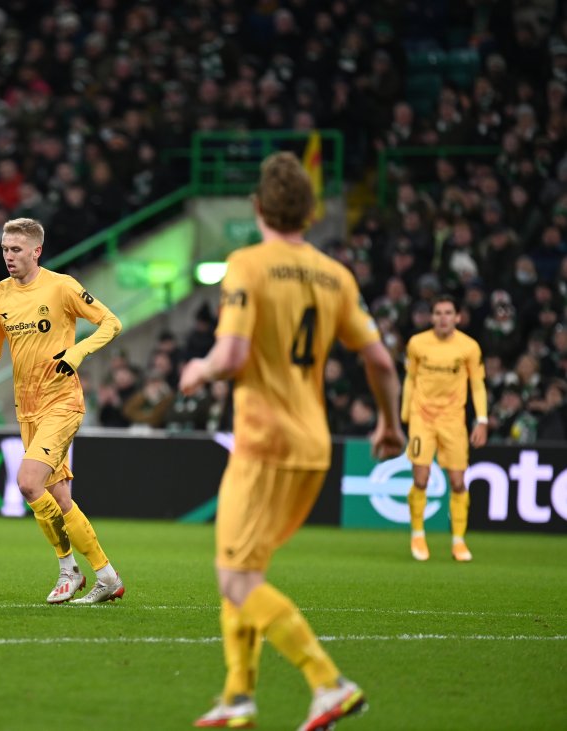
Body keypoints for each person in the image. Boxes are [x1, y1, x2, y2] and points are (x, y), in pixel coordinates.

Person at [182, 153, 404, 730]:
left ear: (257, 207)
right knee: (243, 569)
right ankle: (237, 696)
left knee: (236, 578)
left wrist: (199, 369)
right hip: (313, 445)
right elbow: (381, 361)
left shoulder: (247, 265)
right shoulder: (336, 276)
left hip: (264, 443)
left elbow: (232, 355)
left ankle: (328, 683)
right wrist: (389, 423)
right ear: (310, 212)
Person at [0, 217, 125, 604]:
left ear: (36, 251)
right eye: (5, 249)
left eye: (16, 250)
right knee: (60, 499)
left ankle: (69, 571)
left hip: (62, 401)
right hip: (26, 409)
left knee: (28, 482)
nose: (8, 256)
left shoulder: (62, 287)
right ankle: (107, 577)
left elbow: (111, 323)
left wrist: (77, 352)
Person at [402, 294, 488, 562]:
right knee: (421, 479)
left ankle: (458, 541)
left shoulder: (469, 347)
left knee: (458, 482)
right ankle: (418, 534)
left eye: (448, 313)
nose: (443, 318)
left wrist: (482, 420)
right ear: (431, 317)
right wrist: (404, 414)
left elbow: (477, 385)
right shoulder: (417, 343)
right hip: (422, 417)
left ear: (458, 317)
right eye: (438, 313)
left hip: (453, 420)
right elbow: (410, 378)